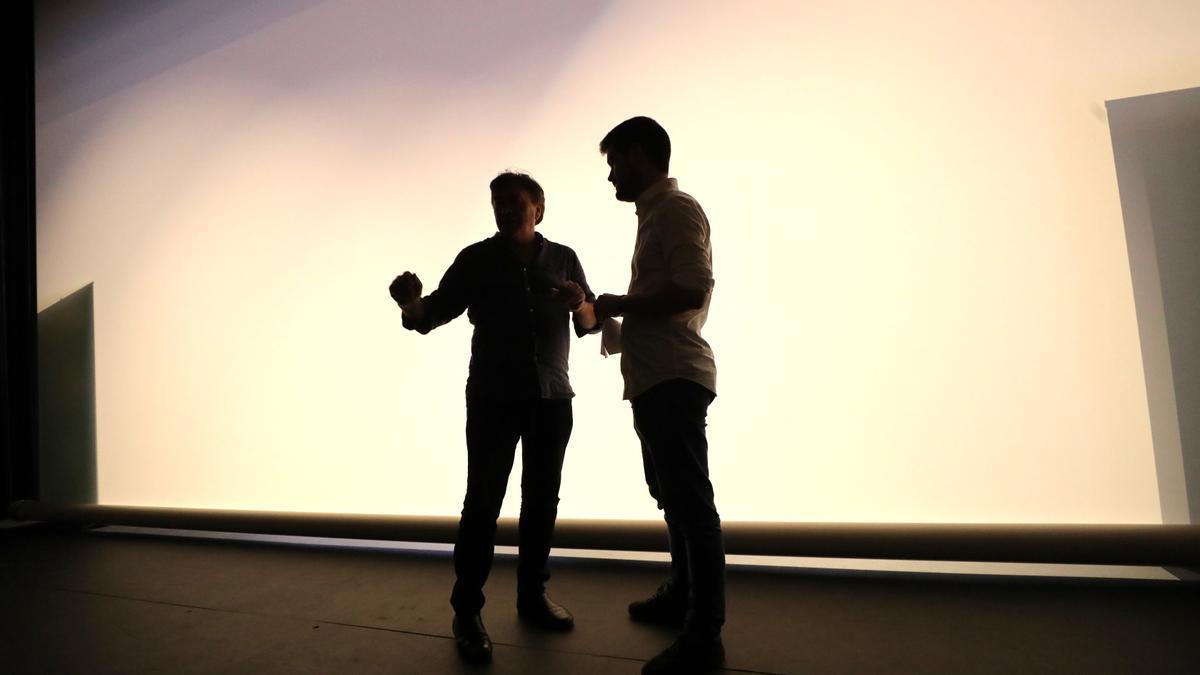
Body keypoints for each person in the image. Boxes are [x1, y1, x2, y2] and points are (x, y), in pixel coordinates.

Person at [388, 171, 599, 663]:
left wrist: (581, 304)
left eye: (515, 202)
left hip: (551, 398)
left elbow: (589, 324)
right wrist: (410, 304)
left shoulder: (563, 257)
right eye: (498, 202)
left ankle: (531, 598)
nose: (505, 209)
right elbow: (432, 314)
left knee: (542, 501)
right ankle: (467, 612)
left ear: (538, 208)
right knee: (482, 503)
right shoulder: (476, 259)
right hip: (492, 398)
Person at [592, 117, 726, 675]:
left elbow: (692, 288)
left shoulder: (673, 209)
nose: (611, 176)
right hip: (656, 377)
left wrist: (617, 304)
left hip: (672, 376)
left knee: (690, 503)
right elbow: (668, 301)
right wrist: (610, 316)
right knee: (674, 496)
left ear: (640, 155)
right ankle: (682, 600)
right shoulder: (656, 215)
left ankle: (703, 633)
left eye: (614, 162)